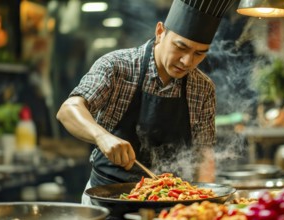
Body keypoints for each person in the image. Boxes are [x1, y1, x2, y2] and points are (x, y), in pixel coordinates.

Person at [56, 0, 235, 204]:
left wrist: (204, 204)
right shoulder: (117, 67)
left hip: (170, 204)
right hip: (107, 199)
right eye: (180, 47)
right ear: (160, 32)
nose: (187, 61)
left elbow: (204, 154)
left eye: (199, 53)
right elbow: (68, 109)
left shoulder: (202, 88)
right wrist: (102, 137)